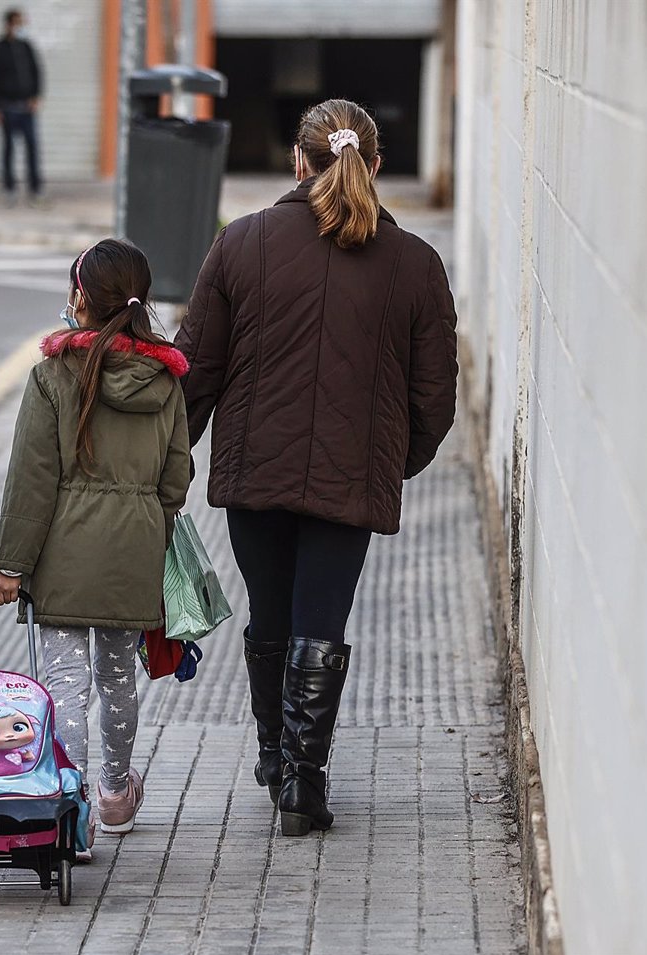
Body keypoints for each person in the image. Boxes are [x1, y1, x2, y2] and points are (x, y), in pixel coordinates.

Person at [175, 99, 459, 836]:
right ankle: (303, 777)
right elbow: (435, 399)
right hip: (349, 476)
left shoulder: (240, 243)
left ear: (298, 163)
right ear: (376, 164)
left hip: (254, 473)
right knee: (321, 622)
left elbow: (194, 372)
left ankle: (275, 756)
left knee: (269, 615)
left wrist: (166, 464)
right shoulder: (416, 264)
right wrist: (389, 462)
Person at [0, 240, 190, 856]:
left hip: (64, 551)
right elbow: (176, 481)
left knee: (65, 681)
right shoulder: (166, 380)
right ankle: (116, 796)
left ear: (79, 297)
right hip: (135, 549)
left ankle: (69, 810)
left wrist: (10, 566)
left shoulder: (52, 376)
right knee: (117, 675)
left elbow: (31, 481)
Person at [0, 7, 43, 205]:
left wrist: (36, 96)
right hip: (6, 108)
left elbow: (37, 72)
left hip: (26, 108)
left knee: (32, 149)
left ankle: (35, 190)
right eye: (18, 23)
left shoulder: (26, 47)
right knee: (8, 150)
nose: (21, 27)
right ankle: (10, 189)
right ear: (9, 24)